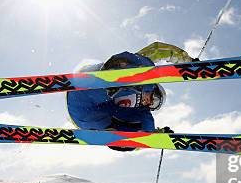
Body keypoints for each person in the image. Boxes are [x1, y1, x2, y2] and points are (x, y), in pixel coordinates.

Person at [66, 42, 196, 151]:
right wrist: (189, 63)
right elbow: (157, 50)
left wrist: (156, 136)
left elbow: (143, 135)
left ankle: (117, 137)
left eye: (154, 105)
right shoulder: (139, 76)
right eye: (155, 97)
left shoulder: (139, 110)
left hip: (86, 121)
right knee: (137, 68)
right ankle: (113, 75)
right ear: (154, 87)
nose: (150, 102)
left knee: (136, 124)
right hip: (84, 88)